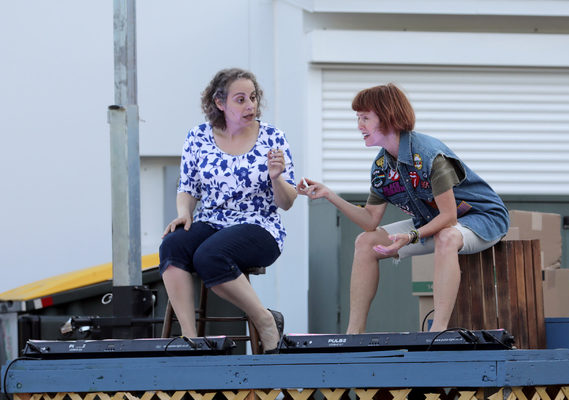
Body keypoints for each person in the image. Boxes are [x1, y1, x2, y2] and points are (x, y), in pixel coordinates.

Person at [298, 83, 509, 333]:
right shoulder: (381, 166)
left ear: (387, 117)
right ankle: (353, 335)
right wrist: (330, 195)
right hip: (429, 221)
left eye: (365, 118)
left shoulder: (430, 156)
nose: (359, 126)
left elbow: (450, 217)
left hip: (480, 219)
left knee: (446, 236)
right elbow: (369, 221)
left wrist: (411, 236)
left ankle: (436, 332)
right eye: (358, 119)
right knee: (365, 242)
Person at [159, 68, 297, 353]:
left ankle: (265, 319)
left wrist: (276, 177)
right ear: (219, 103)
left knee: (209, 255)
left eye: (254, 98)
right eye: (241, 99)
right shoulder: (198, 137)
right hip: (212, 221)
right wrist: (184, 212)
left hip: (260, 226)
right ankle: (191, 340)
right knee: (172, 245)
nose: (251, 106)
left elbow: (287, 201)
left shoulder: (273, 137)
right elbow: (187, 186)